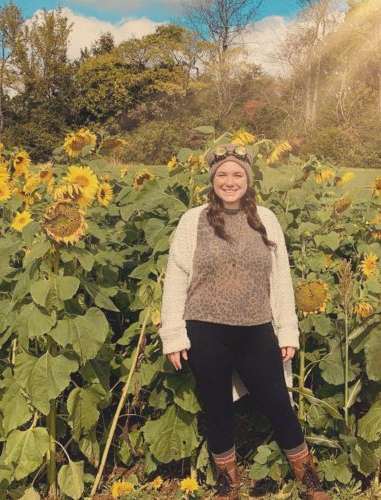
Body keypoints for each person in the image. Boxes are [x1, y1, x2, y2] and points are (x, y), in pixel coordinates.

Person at [158, 143, 331, 500]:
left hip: (256, 328)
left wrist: (287, 329)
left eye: (237, 174)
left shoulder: (266, 219)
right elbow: (176, 276)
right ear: (212, 180)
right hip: (205, 329)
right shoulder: (193, 220)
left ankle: (308, 479)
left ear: (248, 180)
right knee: (216, 406)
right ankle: (228, 485)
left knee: (278, 402)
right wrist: (173, 334)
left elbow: (280, 277)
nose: (229, 181)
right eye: (222, 175)